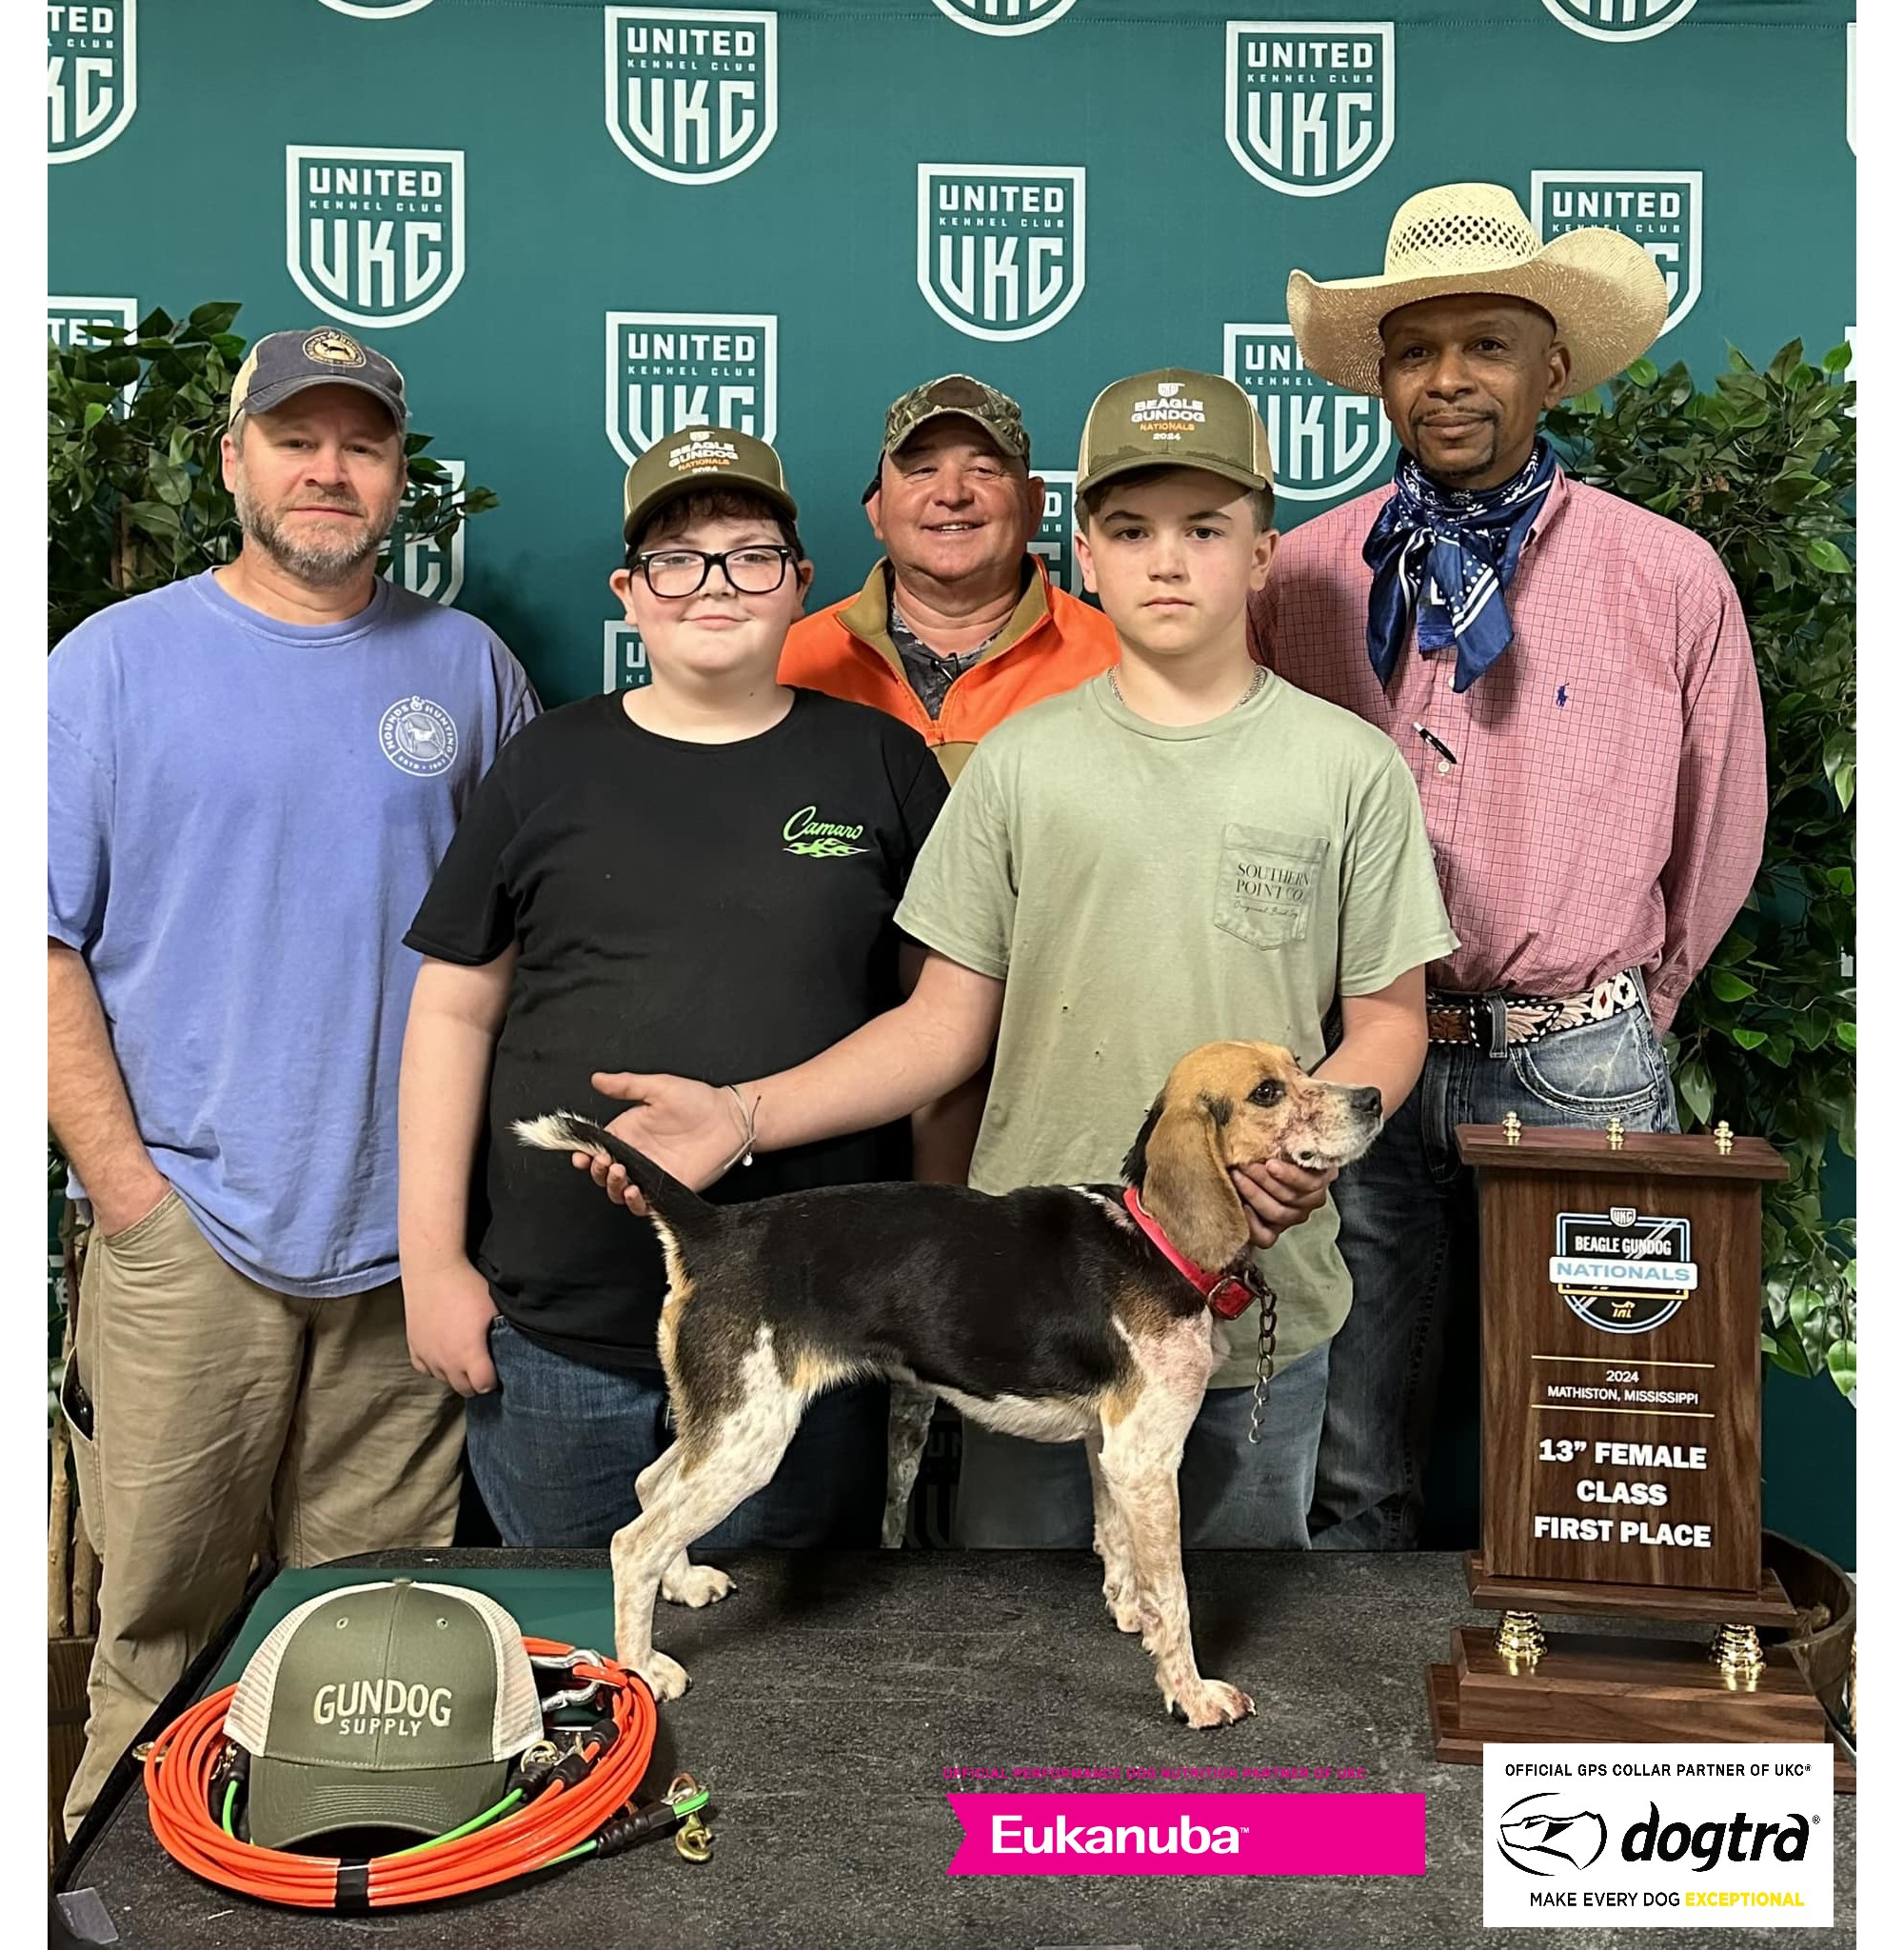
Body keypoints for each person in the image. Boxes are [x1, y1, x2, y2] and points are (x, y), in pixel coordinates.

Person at [575, 372, 1457, 1549]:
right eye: (1132, 530)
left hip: (1259, 1304)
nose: (1167, 560)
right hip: (1029, 1314)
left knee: (1238, 1641)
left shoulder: (1347, 767)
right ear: (1083, 550)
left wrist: (1306, 1148)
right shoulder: (1016, 765)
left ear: (1262, 553)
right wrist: (740, 1114)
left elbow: (1389, 1019)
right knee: (1010, 1663)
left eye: (1205, 528)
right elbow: (942, 1026)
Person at [48, 328, 538, 1835]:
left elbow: (522, 936)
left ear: (402, 476)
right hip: (186, 1223)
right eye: (296, 439)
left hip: (406, 1247)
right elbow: (40, 944)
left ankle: (347, 1880)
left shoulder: (469, 670)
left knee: (370, 1640)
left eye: (363, 445)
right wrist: (129, 1194)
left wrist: (451, 1217)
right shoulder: (110, 664)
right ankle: (101, 1874)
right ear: (233, 459)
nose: (329, 470)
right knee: (153, 1626)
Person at [1253, 182, 1769, 1550]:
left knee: (1601, 1445)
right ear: (1379, 375)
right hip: (1362, 1053)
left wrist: (1631, 1011)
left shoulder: (1664, 576)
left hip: (1579, 1052)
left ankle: (1575, 1710)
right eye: (1415, 351)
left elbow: (1721, 824)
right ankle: (1350, 1740)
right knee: (1351, 1451)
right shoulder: (1303, 579)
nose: (1449, 379)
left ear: (1551, 365)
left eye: (1485, 344)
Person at [398, 427, 950, 1549]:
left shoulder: (881, 763)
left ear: (800, 583)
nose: (713, 584)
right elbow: (453, 1011)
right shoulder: (546, 761)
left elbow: (941, 1022)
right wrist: (432, 1262)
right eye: (676, 558)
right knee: (575, 1659)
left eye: (750, 555)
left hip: (809, 1326)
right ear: (629, 591)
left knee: (786, 1670)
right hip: (557, 1326)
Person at [778, 373, 1117, 780]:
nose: (952, 493)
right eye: (921, 470)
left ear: (1033, 505)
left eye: (983, 469)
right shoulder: (786, 664)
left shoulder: (1118, 666)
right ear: (877, 510)